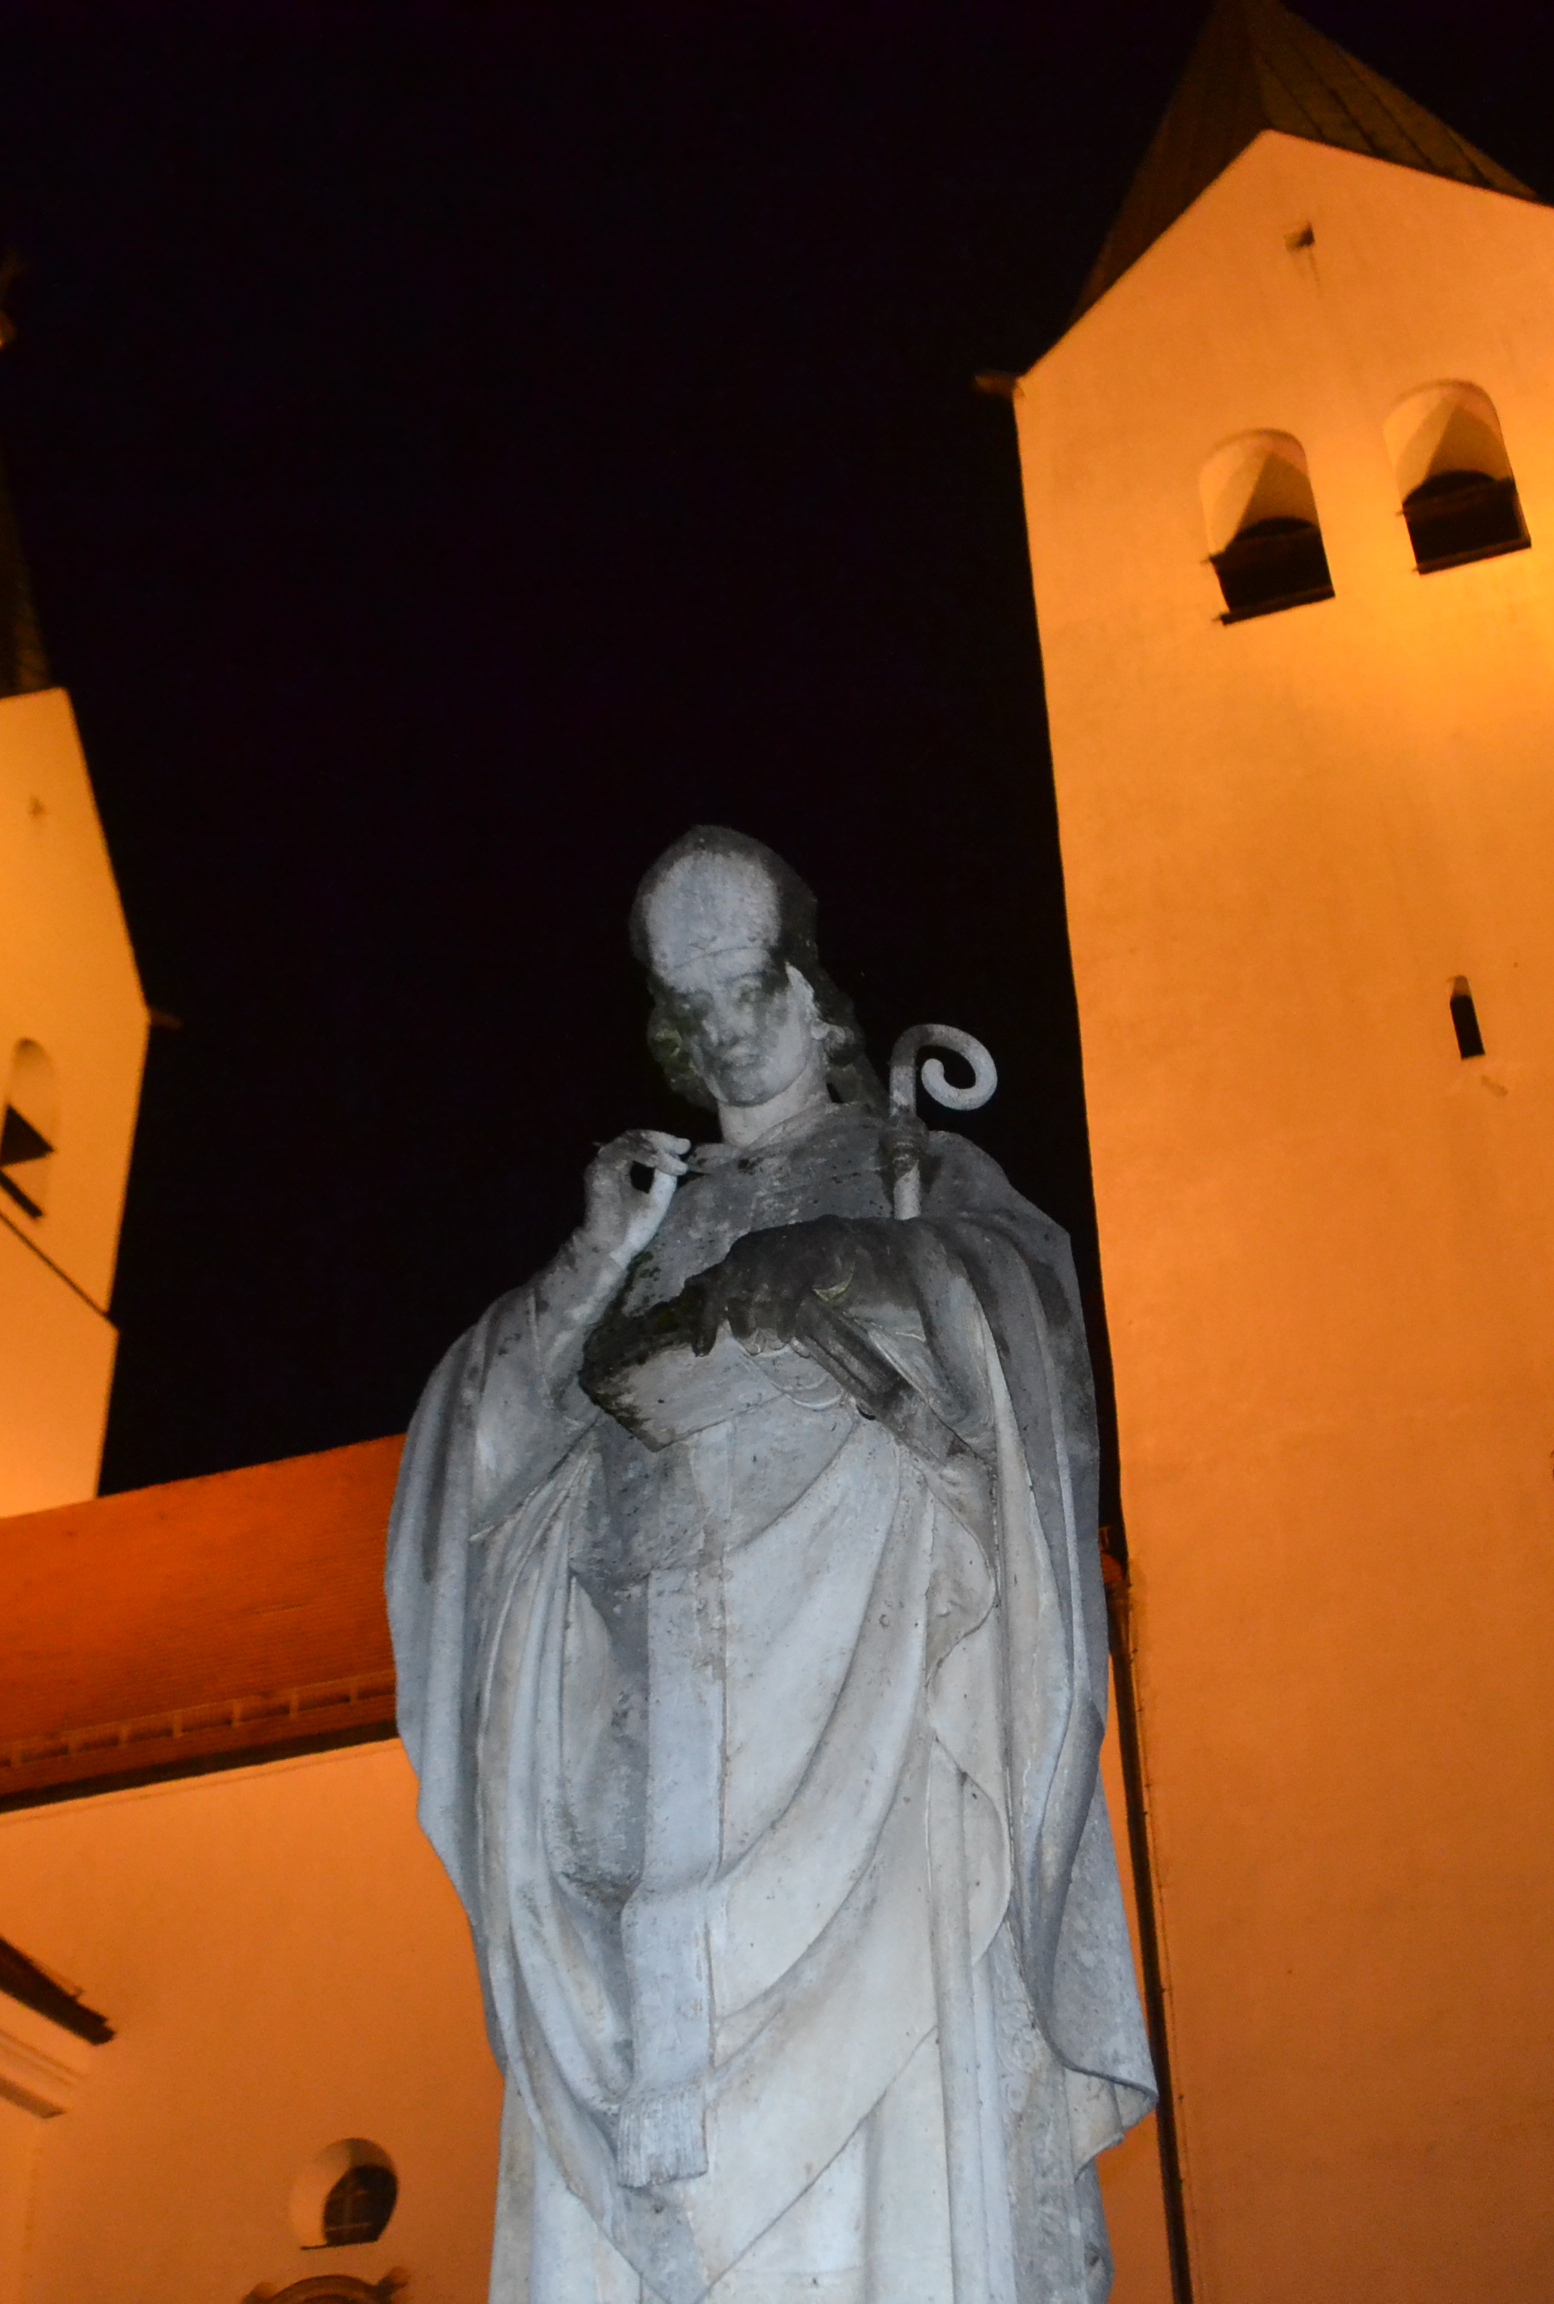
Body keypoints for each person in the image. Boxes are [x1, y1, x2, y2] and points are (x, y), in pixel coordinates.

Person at [388, 828, 1152, 2304]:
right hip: (636, 1741)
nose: (726, 1031)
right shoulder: (638, 1220)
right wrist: (592, 1266)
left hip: (875, 1731)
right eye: (694, 1006)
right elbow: (468, 1471)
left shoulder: (915, 1171)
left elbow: (1029, 1344)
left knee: (892, 2181)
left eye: (748, 988)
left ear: (810, 990)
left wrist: (852, 1265)